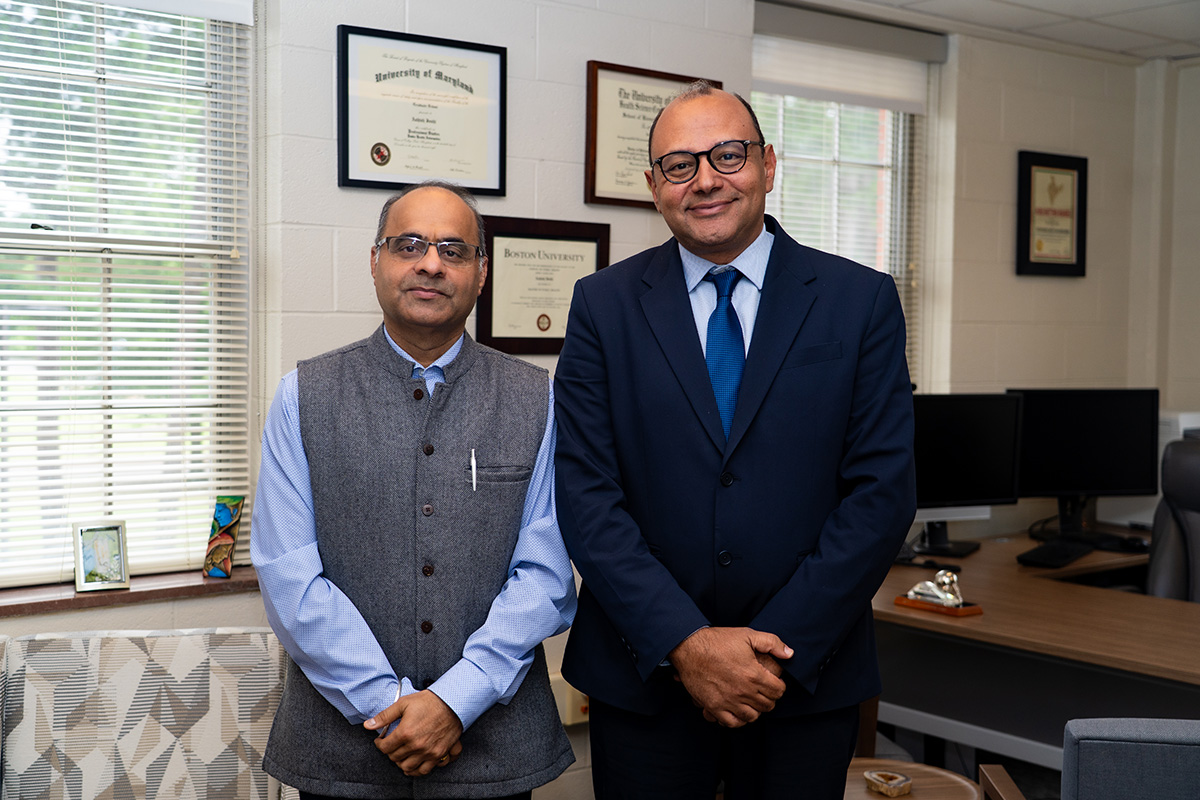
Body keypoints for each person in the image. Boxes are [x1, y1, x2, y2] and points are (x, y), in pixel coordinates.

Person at [553, 82, 916, 799]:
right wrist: (686, 644)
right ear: (654, 185)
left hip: (803, 679)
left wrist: (771, 652)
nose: (708, 180)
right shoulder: (603, 305)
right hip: (646, 679)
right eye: (681, 165)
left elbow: (881, 495)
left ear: (769, 165)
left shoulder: (859, 301)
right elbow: (587, 495)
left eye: (728, 154)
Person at [251, 181, 577, 800]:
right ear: (375, 262)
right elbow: (288, 575)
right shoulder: (304, 396)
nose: (431, 264)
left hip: (494, 754)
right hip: (345, 755)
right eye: (410, 245)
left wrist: (456, 700)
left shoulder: (539, 399)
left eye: (454, 251)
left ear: (481, 274)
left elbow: (547, 574)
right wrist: (392, 706)